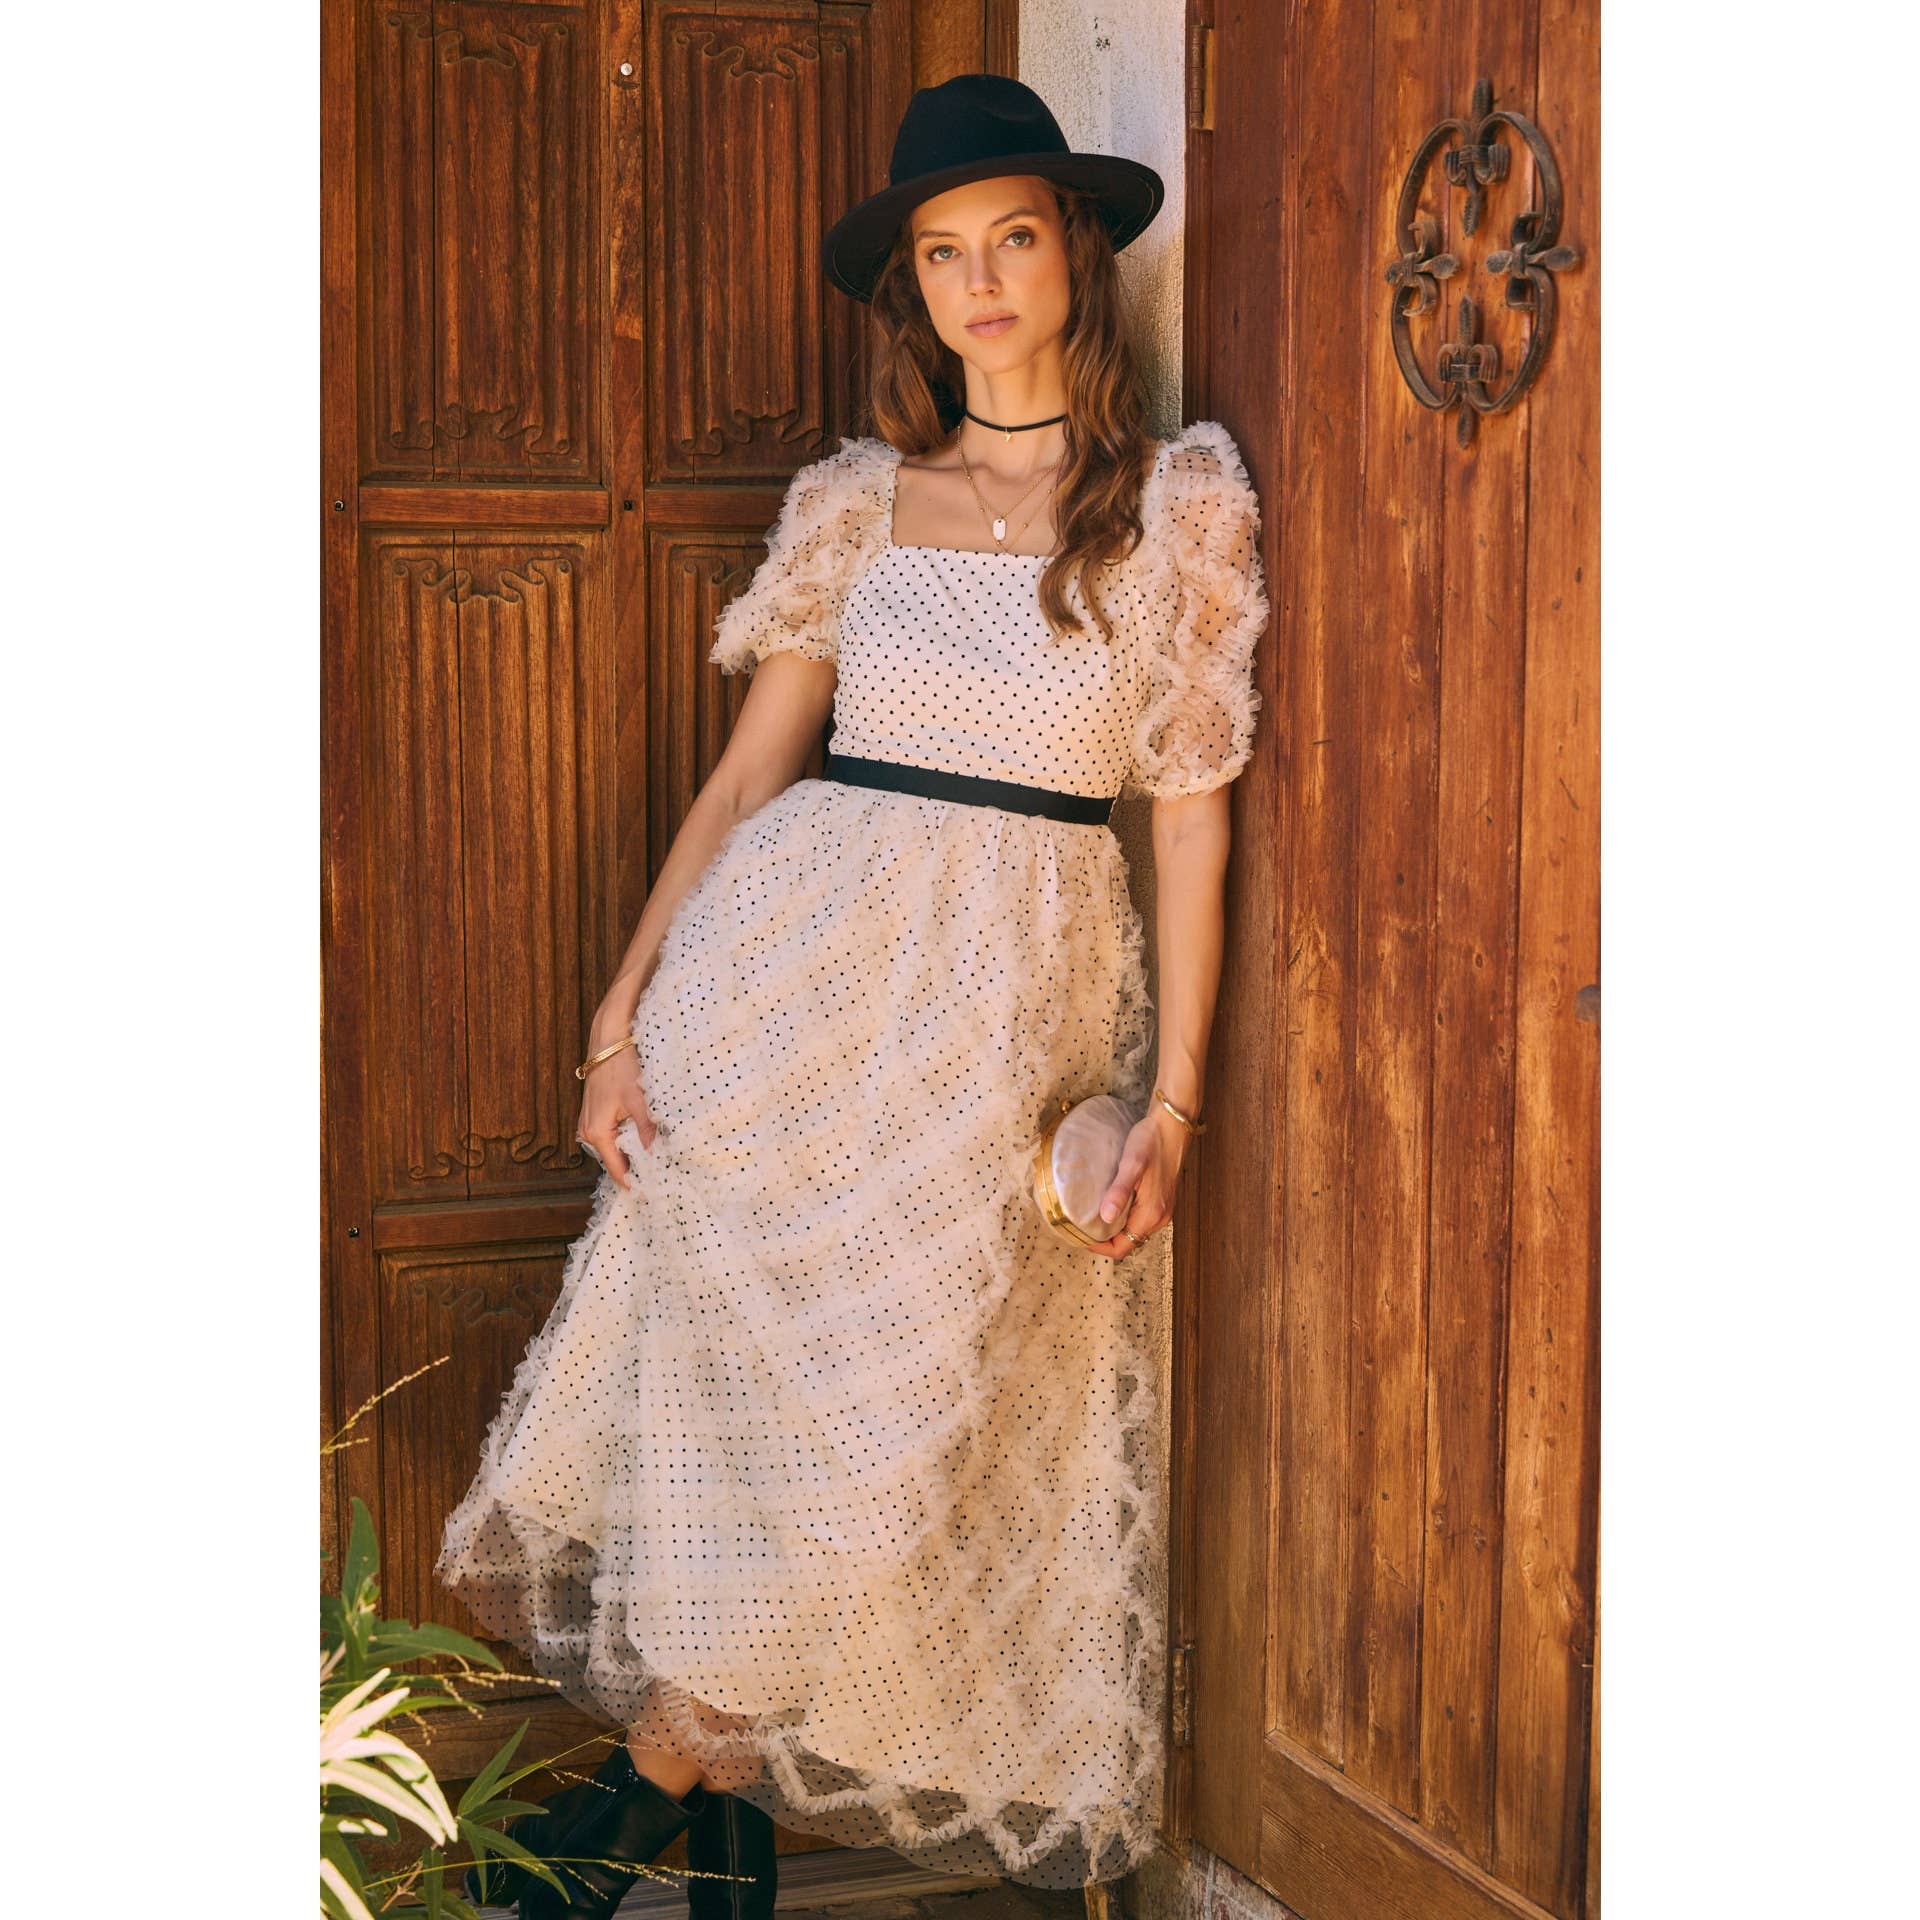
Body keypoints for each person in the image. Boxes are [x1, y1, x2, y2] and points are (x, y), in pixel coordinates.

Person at [435, 72, 1269, 1917]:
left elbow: (1193, 815)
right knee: (742, 1424)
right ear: (915, 291)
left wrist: (1177, 1099)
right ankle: (718, 1823)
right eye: (943, 255)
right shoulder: (856, 504)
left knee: (881, 1437)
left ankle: (619, 1821)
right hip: (779, 1005)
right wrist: (618, 1025)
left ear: (1076, 258)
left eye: (1014, 240)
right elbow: (750, 779)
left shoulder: (1177, 505)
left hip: (1001, 1021)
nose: (981, 283)